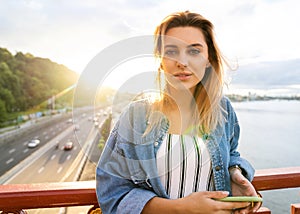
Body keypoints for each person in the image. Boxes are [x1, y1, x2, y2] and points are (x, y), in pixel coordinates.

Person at [96, 11, 261, 214]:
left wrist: (235, 173)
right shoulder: (137, 115)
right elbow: (112, 193)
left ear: (208, 58)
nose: (182, 62)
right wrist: (180, 208)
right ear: (160, 59)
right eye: (172, 51)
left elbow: (232, 152)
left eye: (194, 51)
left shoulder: (223, 110)